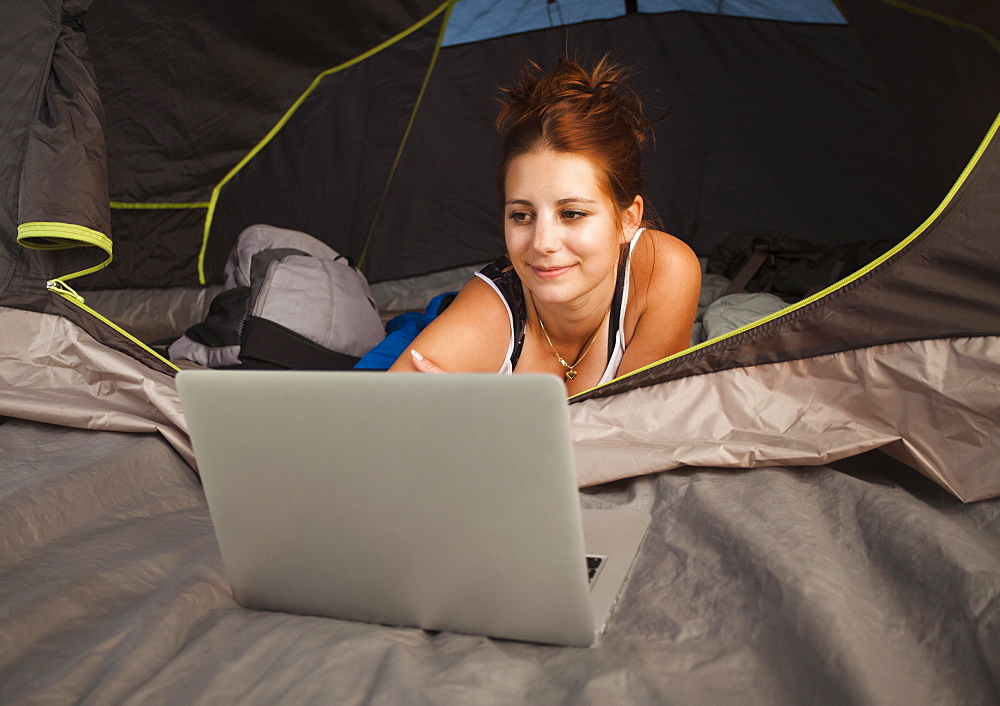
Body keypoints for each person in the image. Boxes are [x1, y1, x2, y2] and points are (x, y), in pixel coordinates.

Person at [389, 56, 701, 395]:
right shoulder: (491, 309)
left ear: (628, 219)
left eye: (572, 214)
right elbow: (370, 420)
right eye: (522, 215)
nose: (542, 243)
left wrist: (484, 418)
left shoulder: (663, 269)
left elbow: (640, 430)